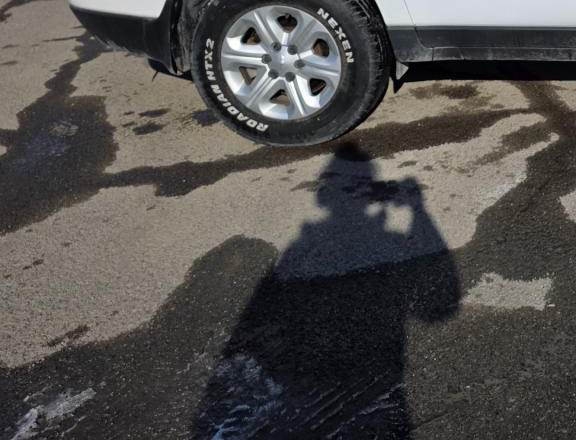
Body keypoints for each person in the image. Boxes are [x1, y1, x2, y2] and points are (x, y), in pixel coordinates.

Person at [192, 144, 459, 438]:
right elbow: (440, 306)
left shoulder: (302, 248)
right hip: (363, 389)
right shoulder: (327, 247)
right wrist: (417, 211)